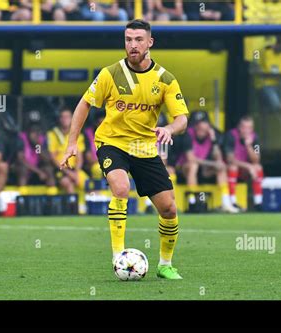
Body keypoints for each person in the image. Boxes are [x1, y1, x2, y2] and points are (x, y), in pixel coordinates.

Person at [60, 19, 188, 279]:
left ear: (150, 42)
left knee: (169, 209)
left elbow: (182, 120)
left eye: (139, 39)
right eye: (128, 39)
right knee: (120, 188)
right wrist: (72, 143)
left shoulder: (165, 79)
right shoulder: (110, 74)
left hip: (144, 147)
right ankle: (118, 256)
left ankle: (165, 264)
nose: (133, 45)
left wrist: (169, 129)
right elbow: (85, 104)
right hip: (112, 143)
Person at [175, 111, 238, 213]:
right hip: (185, 168)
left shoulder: (212, 135)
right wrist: (212, 164)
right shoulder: (188, 134)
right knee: (193, 165)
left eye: (204, 128)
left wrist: (213, 141)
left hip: (204, 170)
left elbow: (218, 158)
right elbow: (191, 158)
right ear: (196, 126)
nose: (202, 131)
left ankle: (226, 202)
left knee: (221, 167)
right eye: (199, 128)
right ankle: (193, 201)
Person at [223, 115, 263, 211]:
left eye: (249, 128)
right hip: (229, 169)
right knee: (233, 167)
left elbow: (256, 160)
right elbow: (230, 159)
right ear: (239, 127)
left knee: (258, 167)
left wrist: (248, 145)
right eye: (244, 127)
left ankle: (258, 203)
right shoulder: (231, 136)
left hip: (245, 171)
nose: (246, 130)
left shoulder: (254, 138)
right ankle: (233, 201)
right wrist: (249, 166)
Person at [47, 107, 87, 194]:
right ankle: (73, 208)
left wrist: (76, 173)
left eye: (67, 117)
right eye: (63, 117)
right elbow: (53, 158)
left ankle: (93, 206)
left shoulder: (77, 135)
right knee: (67, 183)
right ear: (59, 119)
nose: (65, 119)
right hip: (60, 170)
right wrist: (69, 173)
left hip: (74, 170)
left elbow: (79, 158)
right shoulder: (53, 134)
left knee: (89, 184)